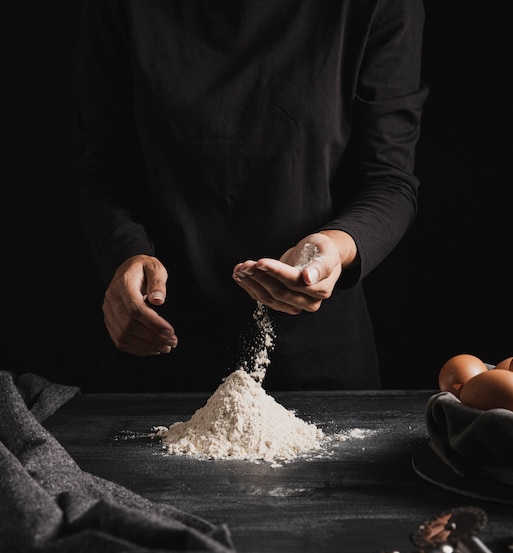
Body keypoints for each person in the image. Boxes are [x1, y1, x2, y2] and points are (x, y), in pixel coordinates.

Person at [77, 0, 428, 393]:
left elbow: (389, 179)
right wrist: (125, 253)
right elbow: (107, 171)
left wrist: (335, 248)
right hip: (156, 345)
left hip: (320, 368)